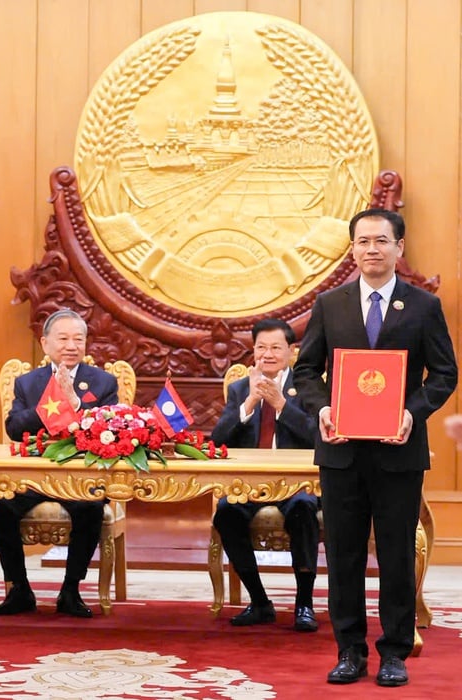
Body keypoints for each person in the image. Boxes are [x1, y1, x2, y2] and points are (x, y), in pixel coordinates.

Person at [293, 208, 457, 687]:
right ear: (352, 250)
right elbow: (306, 371)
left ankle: (394, 653)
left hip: (398, 450)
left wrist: (412, 412)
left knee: (396, 554)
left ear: (399, 248)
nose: (371, 249)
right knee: (342, 554)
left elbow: (444, 373)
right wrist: (322, 408)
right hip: (341, 451)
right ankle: (349, 650)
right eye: (362, 241)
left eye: (381, 241)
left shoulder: (423, 306)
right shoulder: (330, 303)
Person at [0, 308, 119, 618]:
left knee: (91, 507)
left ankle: (71, 590)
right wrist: (51, 405)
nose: (71, 345)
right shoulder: (27, 383)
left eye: (78, 339)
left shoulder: (103, 382)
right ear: (45, 343)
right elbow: (14, 428)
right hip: (34, 475)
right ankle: (19, 589)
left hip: (80, 475)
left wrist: (74, 401)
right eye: (63, 338)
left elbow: (111, 430)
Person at [211, 318, 319, 632]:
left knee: (303, 509)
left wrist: (281, 404)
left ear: (291, 351)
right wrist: (249, 404)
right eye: (261, 347)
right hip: (249, 483)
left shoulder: (308, 386)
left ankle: (304, 603)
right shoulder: (239, 389)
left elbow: (318, 436)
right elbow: (217, 441)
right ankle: (259, 601)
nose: (267, 354)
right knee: (226, 513)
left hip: (296, 484)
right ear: (253, 351)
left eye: (275, 348)